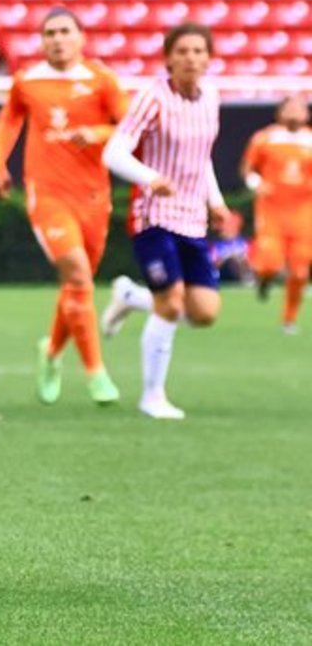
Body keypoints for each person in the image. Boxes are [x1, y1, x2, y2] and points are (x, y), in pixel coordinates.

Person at [0, 8, 128, 406]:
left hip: (94, 197)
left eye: (65, 31)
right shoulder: (27, 81)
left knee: (77, 285)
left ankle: (50, 352)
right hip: (47, 194)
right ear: (42, 40)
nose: (58, 39)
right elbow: (9, 120)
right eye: (50, 33)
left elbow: (130, 126)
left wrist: (97, 132)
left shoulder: (101, 80)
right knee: (78, 274)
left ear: (81, 37)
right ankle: (96, 373)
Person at [100, 23, 230, 420]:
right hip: (153, 215)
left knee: (204, 312)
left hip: (193, 218)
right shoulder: (152, 98)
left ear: (209, 58)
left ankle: (129, 297)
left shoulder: (211, 97)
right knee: (172, 303)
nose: (191, 58)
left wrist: (216, 201)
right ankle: (152, 396)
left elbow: (201, 157)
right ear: (168, 58)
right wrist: (149, 178)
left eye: (198, 51)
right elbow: (113, 152)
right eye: (182, 51)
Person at [239, 96, 312, 333]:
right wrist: (256, 183)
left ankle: (289, 319)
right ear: (280, 112)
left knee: (300, 270)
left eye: (299, 108)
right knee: (269, 263)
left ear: (306, 114)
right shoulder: (265, 138)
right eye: (289, 107)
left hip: (303, 212)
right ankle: (264, 279)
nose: (294, 112)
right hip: (272, 209)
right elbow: (248, 168)